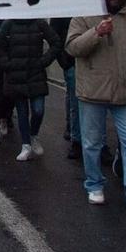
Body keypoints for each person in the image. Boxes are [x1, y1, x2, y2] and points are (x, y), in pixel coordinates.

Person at [65, 0, 126, 215]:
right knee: (92, 143)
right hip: (93, 91)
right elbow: (72, 47)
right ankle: (94, 184)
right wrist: (97, 32)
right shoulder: (84, 15)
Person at [0, 18, 59, 162]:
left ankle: (33, 134)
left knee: (38, 110)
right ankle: (26, 145)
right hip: (16, 74)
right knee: (22, 111)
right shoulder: (8, 23)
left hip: (35, 73)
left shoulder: (39, 22)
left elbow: (56, 42)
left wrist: (43, 61)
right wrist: (7, 64)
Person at [50, 17, 80, 159]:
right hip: (71, 60)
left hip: (90, 60)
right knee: (74, 98)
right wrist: (65, 62)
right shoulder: (65, 9)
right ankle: (76, 138)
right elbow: (54, 34)